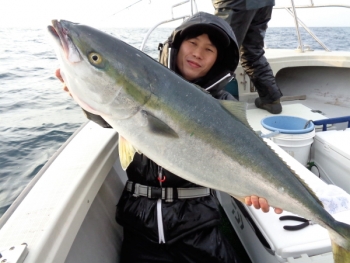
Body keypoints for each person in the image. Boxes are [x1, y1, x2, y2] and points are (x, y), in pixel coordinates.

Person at [56, 12, 282, 263]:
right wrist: (84, 93)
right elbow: (110, 112)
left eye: (209, 49)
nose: (198, 53)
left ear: (218, 59)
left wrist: (248, 190)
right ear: (177, 45)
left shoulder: (222, 104)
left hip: (198, 224)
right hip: (140, 223)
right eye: (193, 43)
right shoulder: (144, 81)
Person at [212, 0, 283, 114]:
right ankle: (271, 100)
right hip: (264, 3)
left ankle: (218, 109)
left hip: (235, 3)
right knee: (253, 51)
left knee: (220, 52)